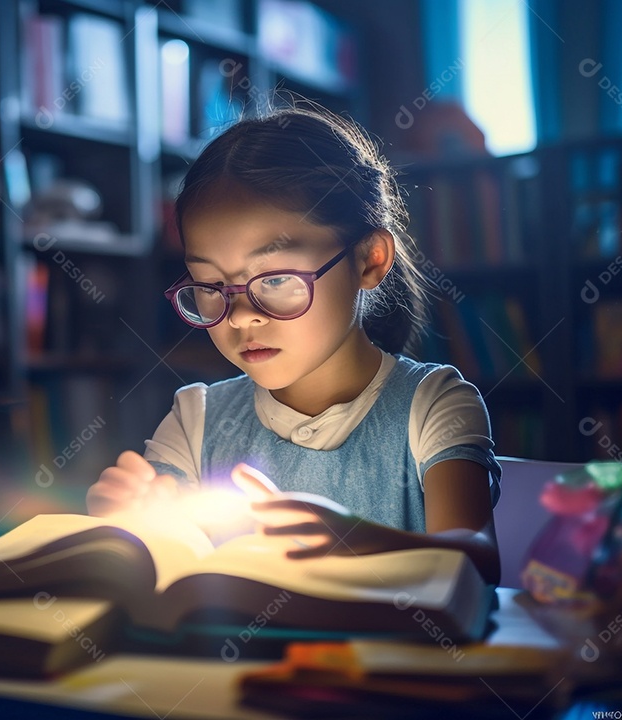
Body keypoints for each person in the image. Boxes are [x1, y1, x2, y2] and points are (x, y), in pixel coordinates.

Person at [86, 106, 502, 585]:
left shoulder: (432, 404)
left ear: (369, 259)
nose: (242, 315)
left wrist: (354, 542)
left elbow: (479, 560)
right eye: (209, 284)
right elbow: (156, 556)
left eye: (277, 278)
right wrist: (120, 521)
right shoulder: (196, 419)